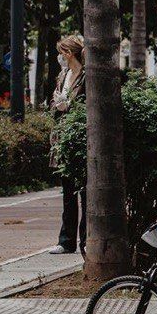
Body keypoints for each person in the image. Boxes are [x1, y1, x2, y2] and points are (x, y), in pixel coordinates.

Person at [48, 35, 86, 255]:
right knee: (68, 193)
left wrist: (69, 106)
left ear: (69, 53)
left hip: (80, 138)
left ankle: (86, 240)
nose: (60, 57)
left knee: (85, 194)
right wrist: (57, 104)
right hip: (63, 138)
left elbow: (87, 104)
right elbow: (54, 102)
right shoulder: (63, 75)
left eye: (61, 53)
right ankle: (66, 241)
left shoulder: (86, 76)